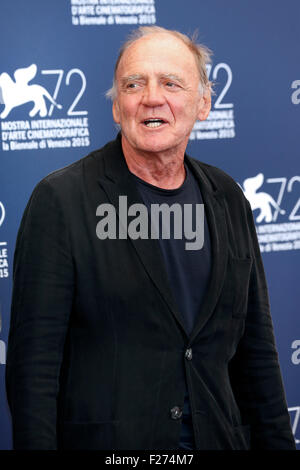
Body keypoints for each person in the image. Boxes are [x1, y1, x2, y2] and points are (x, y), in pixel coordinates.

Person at [6, 26, 296, 450]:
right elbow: (33, 373)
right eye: (133, 84)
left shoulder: (229, 198)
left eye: (171, 83)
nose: (151, 97)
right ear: (117, 108)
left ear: (203, 103)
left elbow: (258, 356)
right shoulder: (62, 201)